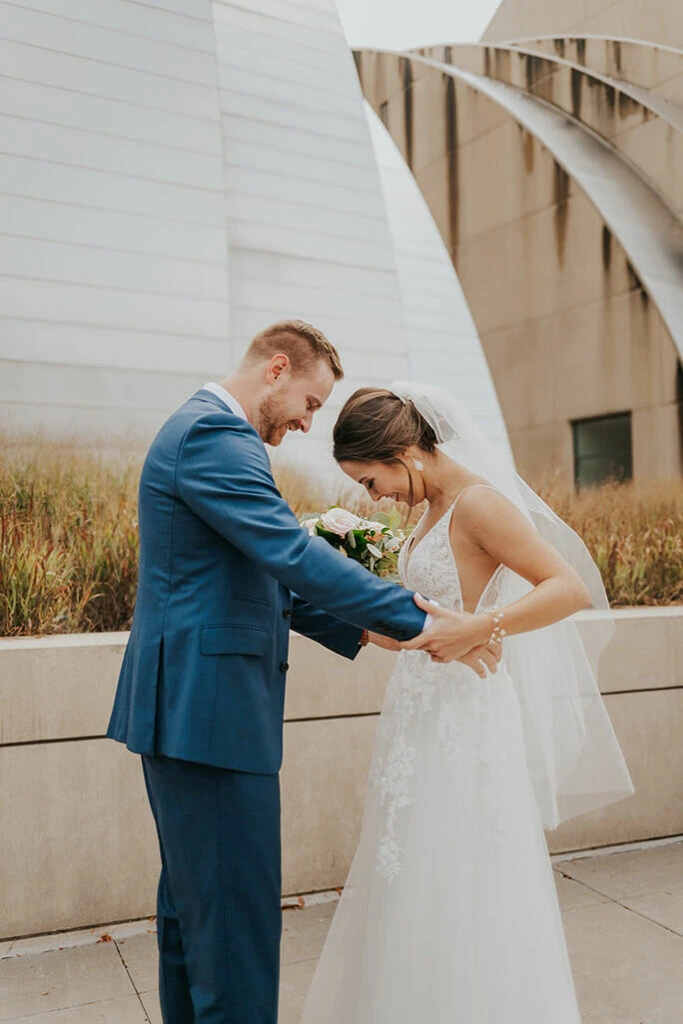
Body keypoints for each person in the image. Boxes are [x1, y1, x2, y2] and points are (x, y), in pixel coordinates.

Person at [106, 323, 499, 1024]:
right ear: (276, 370)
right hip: (210, 715)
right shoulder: (212, 438)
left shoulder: (209, 436)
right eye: (310, 402)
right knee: (235, 930)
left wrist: (361, 627)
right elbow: (289, 554)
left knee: (195, 919)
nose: (308, 420)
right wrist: (428, 623)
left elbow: (255, 575)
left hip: (190, 711)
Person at [301, 382, 634, 1024]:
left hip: (466, 716)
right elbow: (428, 619)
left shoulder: (479, 504)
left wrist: (485, 627)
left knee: (464, 869)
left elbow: (567, 589)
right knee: (411, 865)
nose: (375, 497)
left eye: (373, 481)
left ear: (406, 451)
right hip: (419, 709)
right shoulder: (429, 510)